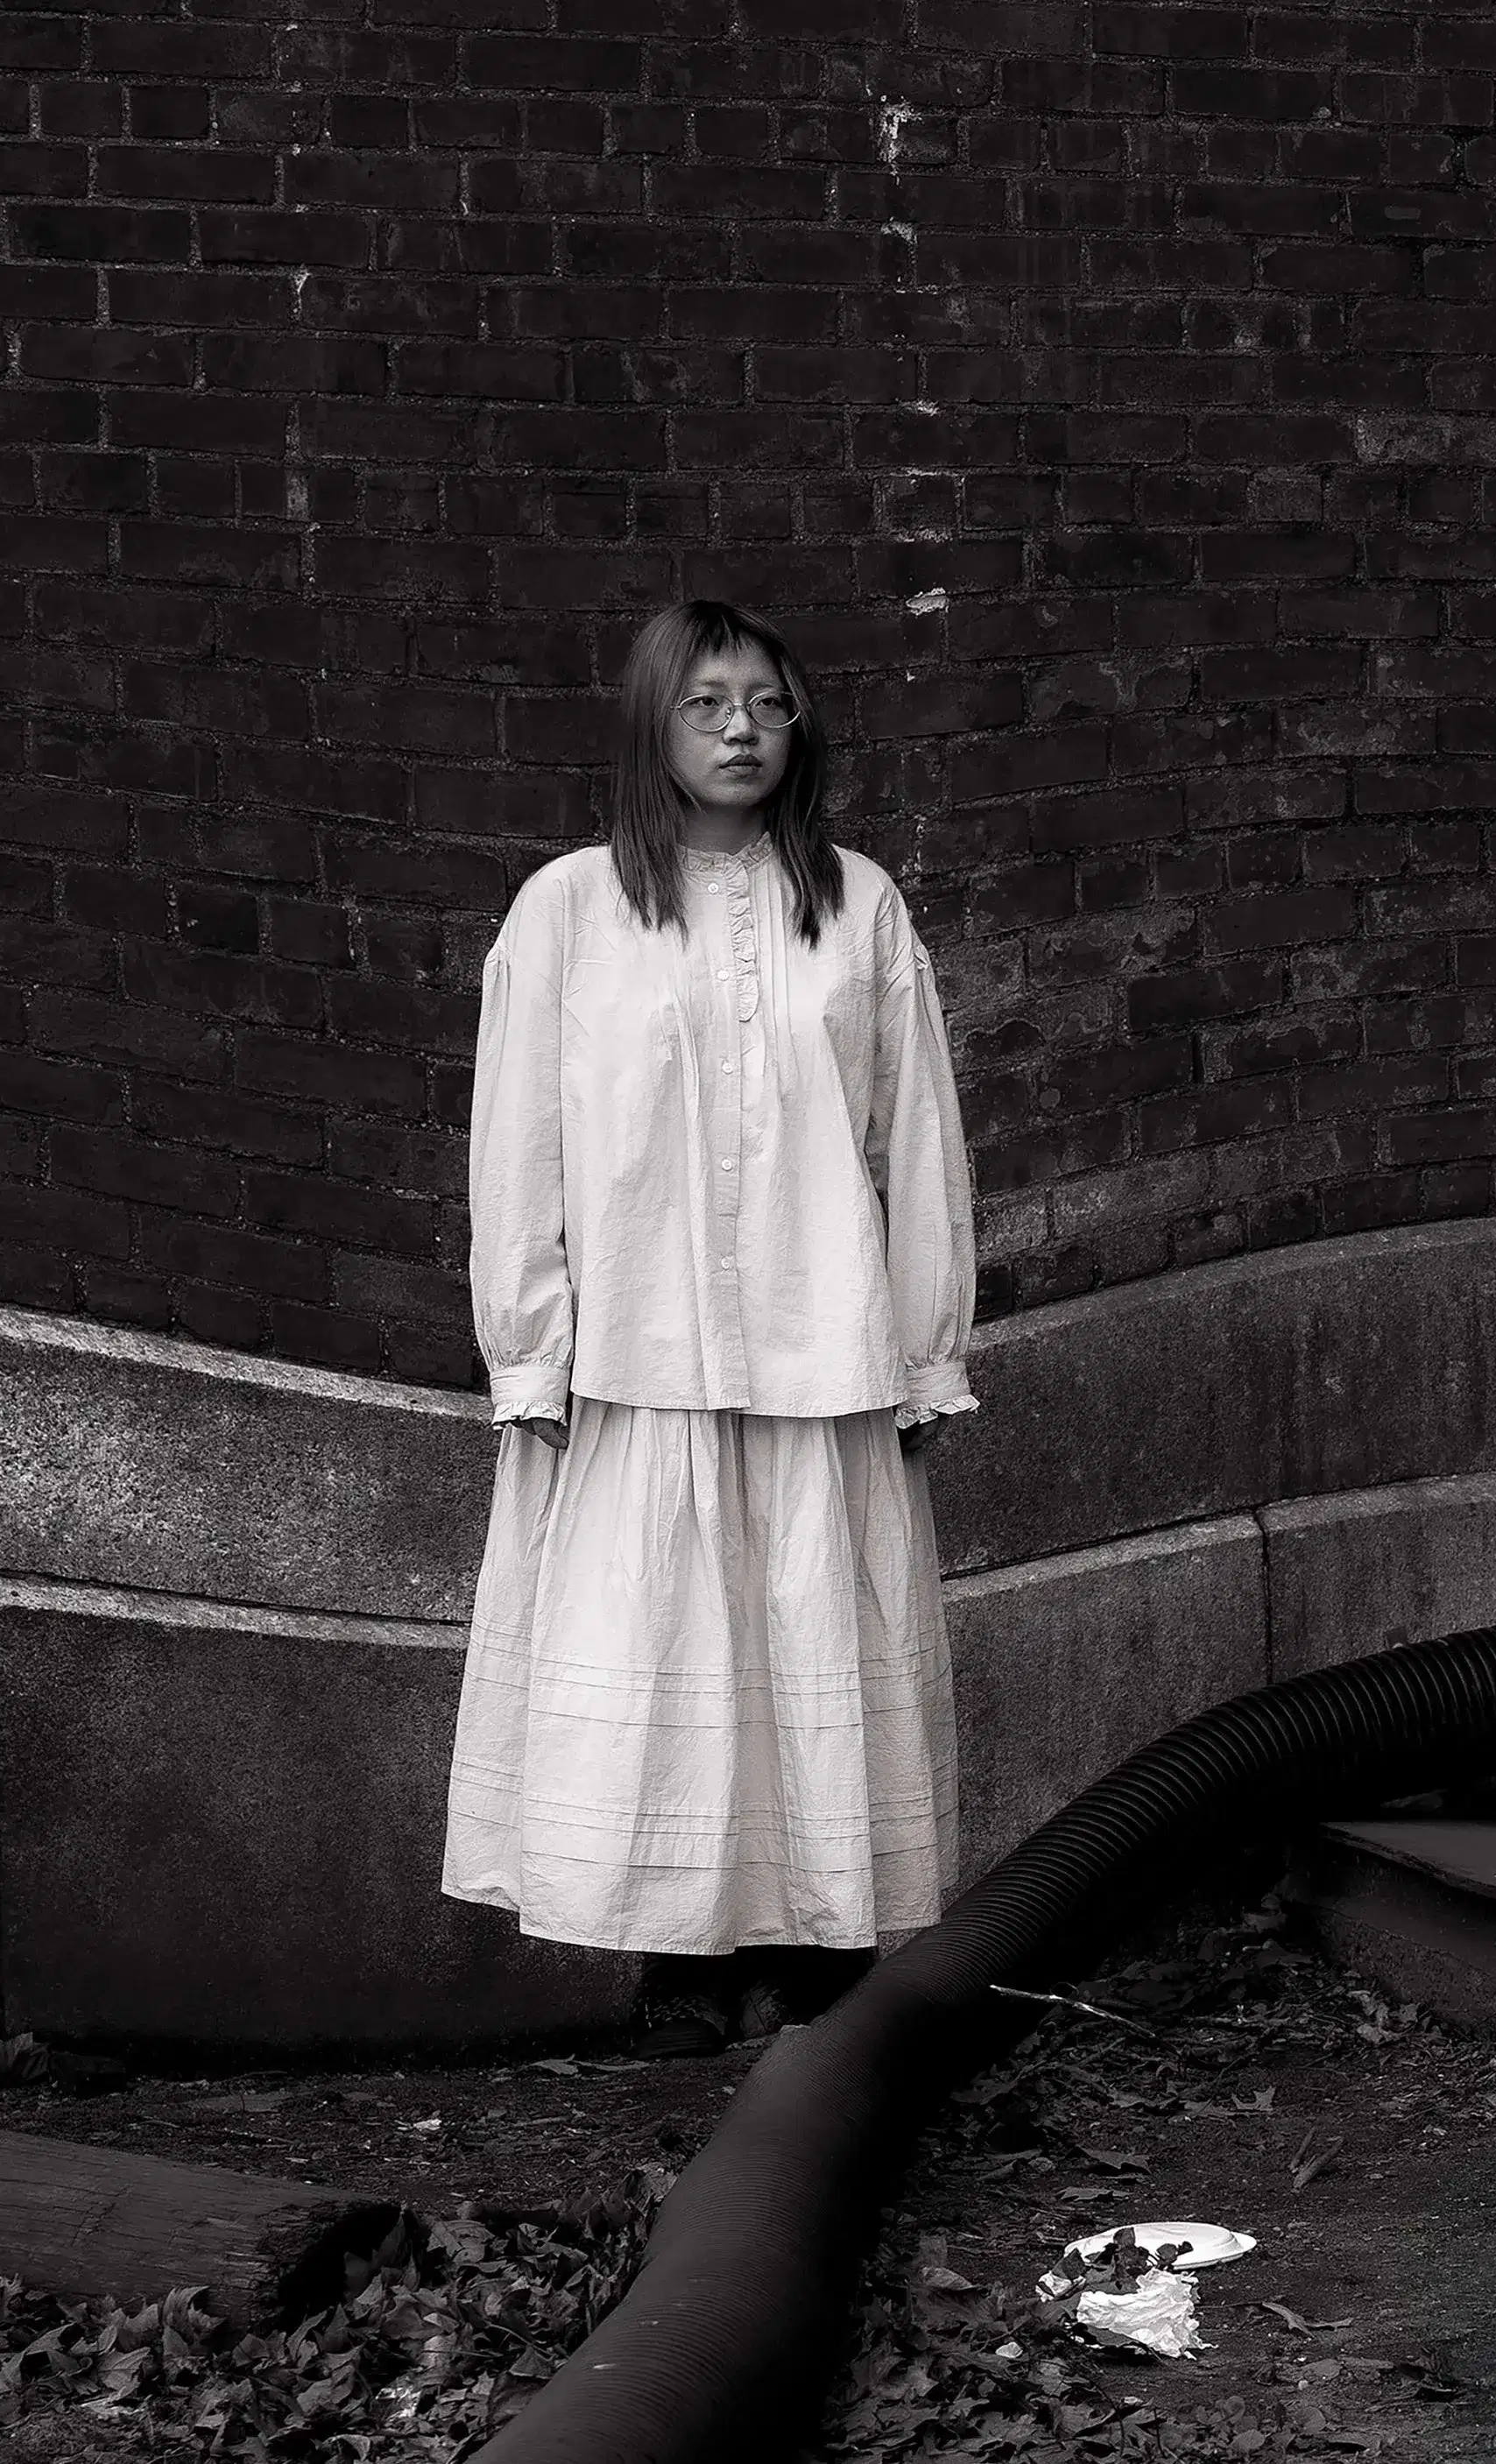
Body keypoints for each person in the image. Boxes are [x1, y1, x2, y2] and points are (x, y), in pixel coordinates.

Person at [446, 600, 979, 2058]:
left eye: (766, 703)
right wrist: (531, 1347)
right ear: (653, 726)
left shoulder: (856, 904)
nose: (740, 729)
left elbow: (914, 1136)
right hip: (641, 1351)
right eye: (707, 703)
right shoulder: (568, 910)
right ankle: (677, 1968)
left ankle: (813, 1964)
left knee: (812, 1641)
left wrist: (927, 1350)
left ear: (799, 726)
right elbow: (522, 1142)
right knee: (666, 1670)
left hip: (823, 1346)